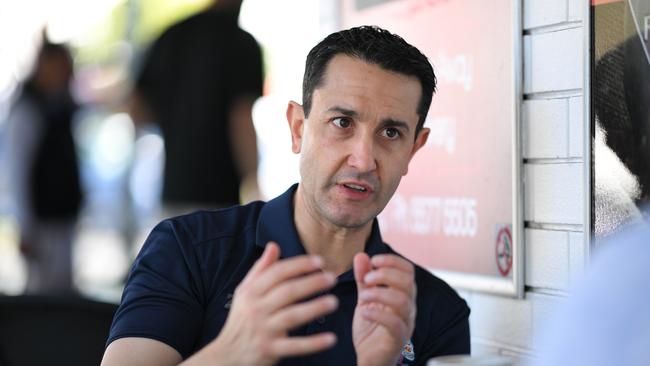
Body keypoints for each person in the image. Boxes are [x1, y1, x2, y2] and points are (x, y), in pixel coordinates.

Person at [102, 26, 470, 366]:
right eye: (342, 123)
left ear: (413, 150)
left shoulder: (432, 310)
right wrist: (228, 354)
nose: (363, 159)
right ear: (298, 128)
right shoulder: (188, 250)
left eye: (390, 133)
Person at [128, 0, 263, 215]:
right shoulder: (241, 43)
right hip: (219, 196)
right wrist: (253, 182)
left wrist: (175, 119)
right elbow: (241, 118)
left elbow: (136, 109)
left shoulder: (171, 36)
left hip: (174, 190)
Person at [5, 40, 82, 294]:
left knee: (61, 290)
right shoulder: (27, 109)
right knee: (42, 297)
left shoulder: (58, 105)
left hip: (62, 216)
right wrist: (26, 227)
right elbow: (17, 171)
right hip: (42, 222)